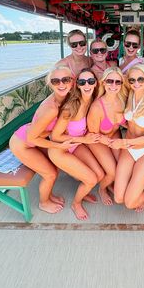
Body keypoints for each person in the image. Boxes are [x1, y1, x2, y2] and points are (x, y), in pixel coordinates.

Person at [9, 66, 74, 213]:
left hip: (35, 137)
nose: (61, 84)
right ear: (50, 84)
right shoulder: (51, 108)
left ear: (72, 81)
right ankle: (43, 202)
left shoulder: (64, 98)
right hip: (23, 143)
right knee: (50, 174)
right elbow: (32, 137)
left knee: (55, 166)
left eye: (65, 80)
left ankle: (48, 195)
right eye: (56, 81)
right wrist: (59, 146)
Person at [48, 68, 105, 220]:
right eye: (82, 82)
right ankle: (76, 203)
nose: (87, 85)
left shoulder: (92, 101)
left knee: (99, 175)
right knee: (91, 179)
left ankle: (83, 191)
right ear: (77, 85)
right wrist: (84, 140)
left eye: (90, 81)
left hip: (75, 144)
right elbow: (55, 136)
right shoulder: (71, 106)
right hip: (60, 149)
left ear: (95, 84)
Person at [112, 64, 144, 212]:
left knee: (129, 203)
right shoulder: (129, 97)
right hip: (128, 149)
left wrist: (123, 142)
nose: (136, 83)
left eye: (140, 79)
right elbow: (129, 122)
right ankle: (138, 187)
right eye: (132, 80)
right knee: (118, 198)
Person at [87, 67, 128, 205]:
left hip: (113, 136)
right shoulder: (97, 107)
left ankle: (111, 185)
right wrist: (108, 142)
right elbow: (93, 134)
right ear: (103, 83)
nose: (114, 85)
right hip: (97, 139)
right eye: (110, 81)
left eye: (118, 82)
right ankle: (102, 189)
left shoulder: (123, 100)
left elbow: (127, 122)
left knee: (122, 168)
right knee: (113, 172)